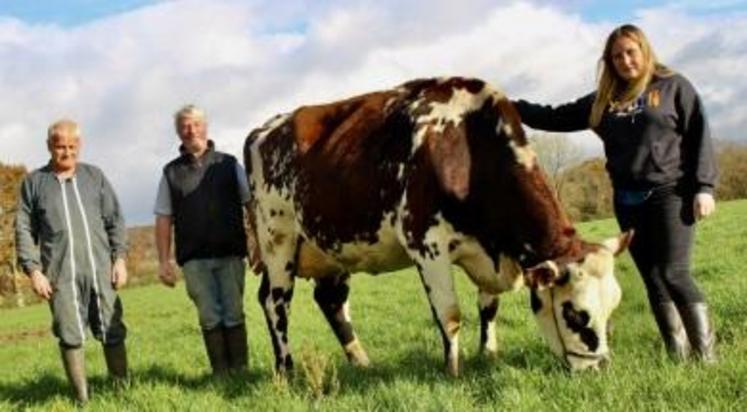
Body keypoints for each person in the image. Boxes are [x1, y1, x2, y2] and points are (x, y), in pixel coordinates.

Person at [512, 24, 718, 363]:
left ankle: (707, 358)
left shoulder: (672, 87)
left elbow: (699, 136)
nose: (625, 60)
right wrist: (507, 105)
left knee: (673, 273)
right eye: (617, 55)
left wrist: (704, 187)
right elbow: (552, 116)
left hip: (671, 192)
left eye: (630, 52)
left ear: (644, 51)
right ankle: (678, 355)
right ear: (609, 61)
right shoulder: (603, 100)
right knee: (652, 279)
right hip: (627, 200)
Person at [15, 119, 129, 403]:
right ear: (48, 146)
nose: (66, 152)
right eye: (60, 147)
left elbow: (115, 220)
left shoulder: (95, 176)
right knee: (70, 334)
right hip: (60, 275)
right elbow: (23, 230)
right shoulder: (34, 183)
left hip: (101, 269)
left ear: (79, 146)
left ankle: (122, 393)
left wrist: (120, 259)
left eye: (72, 147)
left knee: (112, 330)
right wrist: (34, 271)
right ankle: (82, 400)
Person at [154, 104, 250, 375]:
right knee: (209, 317)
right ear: (178, 133)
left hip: (230, 253)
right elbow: (163, 218)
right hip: (194, 260)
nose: (191, 130)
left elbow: (251, 205)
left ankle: (241, 372)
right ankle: (220, 374)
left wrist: (258, 247)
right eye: (184, 126)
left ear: (205, 127)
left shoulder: (229, 164)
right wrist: (164, 261)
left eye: (196, 124)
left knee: (234, 313)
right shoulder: (170, 172)